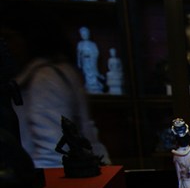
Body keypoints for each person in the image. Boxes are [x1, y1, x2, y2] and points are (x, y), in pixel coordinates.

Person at [2, 17, 110, 168]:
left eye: (9, 37)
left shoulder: (46, 79)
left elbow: (53, 155)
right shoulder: (54, 72)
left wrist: (25, 177)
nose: (6, 45)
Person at [76, 26, 104, 94]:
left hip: (92, 62)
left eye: (86, 34)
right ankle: (88, 85)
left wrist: (91, 54)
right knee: (86, 74)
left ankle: (95, 85)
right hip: (85, 62)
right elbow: (78, 54)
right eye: (83, 34)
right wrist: (79, 62)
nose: (84, 36)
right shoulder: (80, 44)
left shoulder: (93, 44)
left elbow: (96, 52)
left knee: (93, 73)